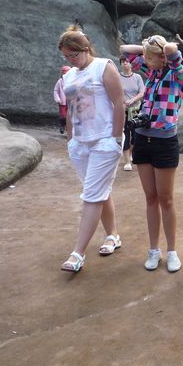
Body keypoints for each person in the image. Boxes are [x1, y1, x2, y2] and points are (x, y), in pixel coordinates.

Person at [58, 25, 125, 273]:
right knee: (99, 191)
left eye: (73, 54)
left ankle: (78, 253)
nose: (70, 60)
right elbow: (70, 108)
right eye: (66, 56)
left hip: (104, 140)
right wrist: (71, 140)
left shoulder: (103, 66)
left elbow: (119, 102)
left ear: (85, 48)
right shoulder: (69, 76)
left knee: (92, 195)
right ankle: (113, 236)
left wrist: (115, 138)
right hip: (80, 142)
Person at [120, 35, 183, 272]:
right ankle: (153, 250)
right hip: (142, 139)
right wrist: (147, 48)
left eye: (150, 58)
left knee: (166, 199)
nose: (144, 61)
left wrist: (157, 46)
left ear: (162, 57)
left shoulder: (178, 75)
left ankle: (172, 251)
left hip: (164, 142)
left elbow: (171, 50)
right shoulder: (151, 73)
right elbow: (125, 50)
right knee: (150, 198)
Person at [119, 53, 145, 171]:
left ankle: (130, 153)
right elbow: (115, 92)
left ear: (131, 63)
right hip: (123, 110)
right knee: (125, 134)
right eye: (122, 61)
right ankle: (127, 161)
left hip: (135, 109)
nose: (125, 63)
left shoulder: (137, 77)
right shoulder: (117, 77)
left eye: (127, 61)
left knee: (135, 134)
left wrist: (133, 100)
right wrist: (122, 101)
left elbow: (142, 92)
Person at [53, 65, 71, 134]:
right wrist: (57, 99)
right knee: (63, 116)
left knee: (70, 116)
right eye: (65, 73)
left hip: (70, 102)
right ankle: (62, 125)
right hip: (62, 102)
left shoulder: (73, 81)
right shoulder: (60, 82)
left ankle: (69, 129)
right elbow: (56, 90)